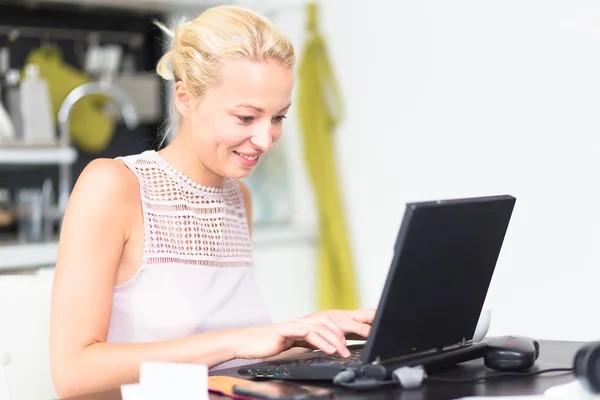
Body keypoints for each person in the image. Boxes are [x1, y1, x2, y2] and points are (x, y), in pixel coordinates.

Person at [49, 5, 375, 398]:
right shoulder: (114, 185)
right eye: (245, 117)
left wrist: (305, 332)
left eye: (278, 118)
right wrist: (235, 340)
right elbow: (72, 372)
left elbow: (225, 366)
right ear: (185, 98)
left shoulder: (239, 199)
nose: (265, 139)